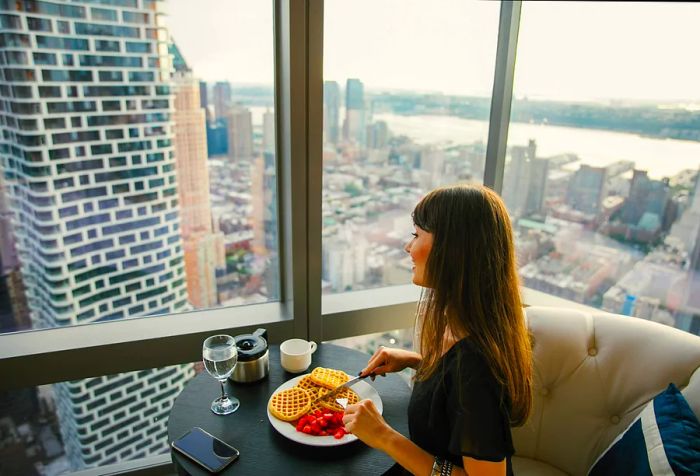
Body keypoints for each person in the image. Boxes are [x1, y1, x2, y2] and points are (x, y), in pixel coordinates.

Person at [342, 184, 533, 476]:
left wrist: (384, 436)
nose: (408, 247)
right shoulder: (459, 323)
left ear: (452, 251)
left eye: (416, 235)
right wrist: (418, 362)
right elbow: (456, 396)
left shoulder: (476, 366)